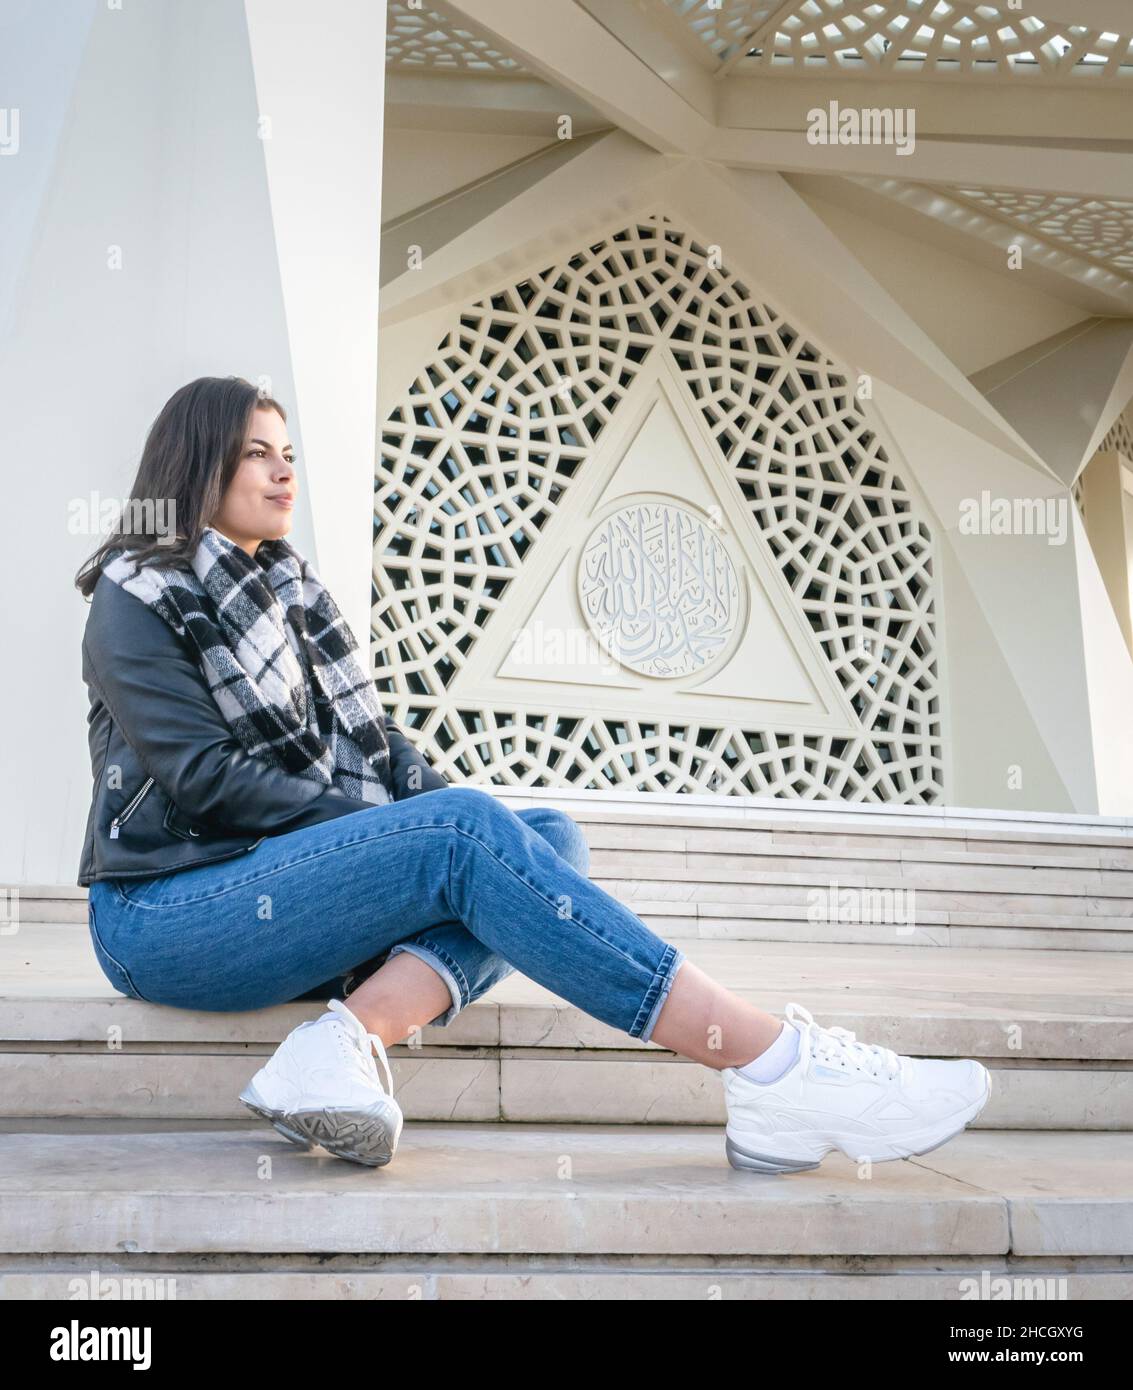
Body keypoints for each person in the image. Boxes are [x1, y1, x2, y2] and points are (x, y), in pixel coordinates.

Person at [75, 375, 991, 1171]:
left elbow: (377, 743)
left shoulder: (294, 600)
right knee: (471, 835)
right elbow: (205, 779)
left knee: (543, 837)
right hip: (167, 914)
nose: (284, 473)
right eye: (256, 455)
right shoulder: (137, 595)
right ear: (197, 466)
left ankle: (342, 1043)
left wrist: (424, 814)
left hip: (279, 891)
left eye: (289, 453)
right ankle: (774, 1068)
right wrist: (410, 831)